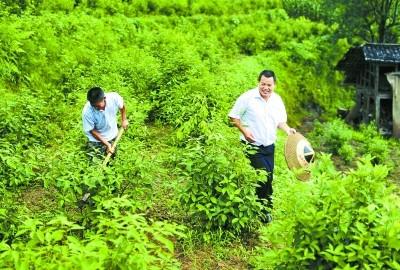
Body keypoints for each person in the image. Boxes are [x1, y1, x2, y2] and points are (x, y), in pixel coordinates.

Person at [228, 70, 296, 218]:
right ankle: (262, 211)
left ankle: (265, 207)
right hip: (252, 146)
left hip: (269, 146)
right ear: (258, 82)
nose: (266, 87)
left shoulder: (277, 100)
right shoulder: (248, 97)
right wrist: (244, 130)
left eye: (269, 85)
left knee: (269, 177)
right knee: (263, 176)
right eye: (263, 84)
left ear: (274, 85)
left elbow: (280, 122)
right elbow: (233, 117)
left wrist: (288, 130)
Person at [82, 86, 129, 161]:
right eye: (96, 107)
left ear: (104, 98)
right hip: (96, 138)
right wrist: (107, 144)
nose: (100, 108)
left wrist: (124, 119)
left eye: (101, 105)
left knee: (114, 159)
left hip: (112, 133)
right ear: (91, 104)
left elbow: (122, 106)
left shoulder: (114, 97)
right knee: (94, 161)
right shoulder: (87, 112)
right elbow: (92, 131)